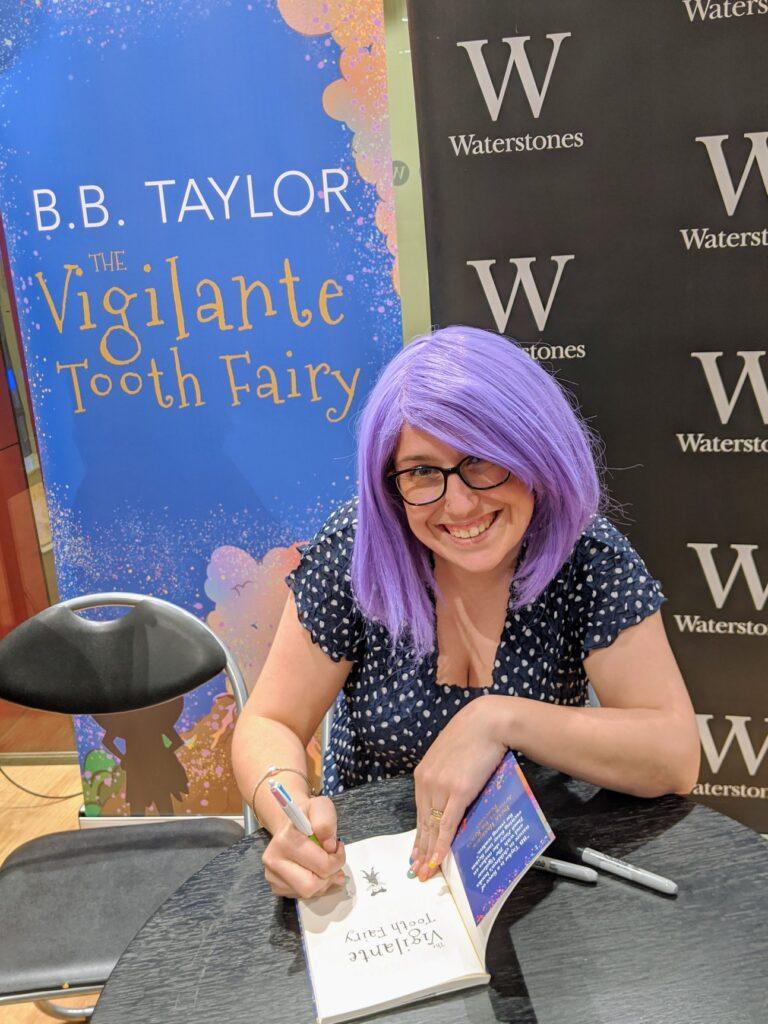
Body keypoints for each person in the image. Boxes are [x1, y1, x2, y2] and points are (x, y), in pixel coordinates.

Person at [232, 326, 700, 900]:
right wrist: (289, 814)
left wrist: (497, 719)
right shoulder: (357, 549)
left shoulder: (587, 555)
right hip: (373, 882)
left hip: (534, 870)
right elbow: (270, 722)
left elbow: (673, 754)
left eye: (481, 462)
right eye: (423, 472)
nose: (458, 505)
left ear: (535, 452)